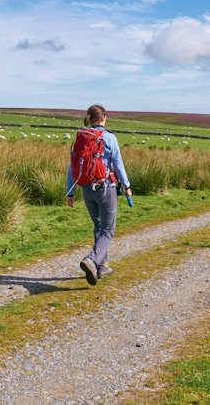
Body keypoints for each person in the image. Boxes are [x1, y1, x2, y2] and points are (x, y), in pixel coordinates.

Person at [66, 104, 132, 285]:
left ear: (89, 118)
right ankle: (92, 259)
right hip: (105, 188)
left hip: (86, 189)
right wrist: (126, 186)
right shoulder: (109, 138)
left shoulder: (81, 138)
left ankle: (101, 267)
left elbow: (72, 167)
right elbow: (118, 165)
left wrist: (70, 192)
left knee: (98, 225)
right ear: (104, 118)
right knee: (108, 229)